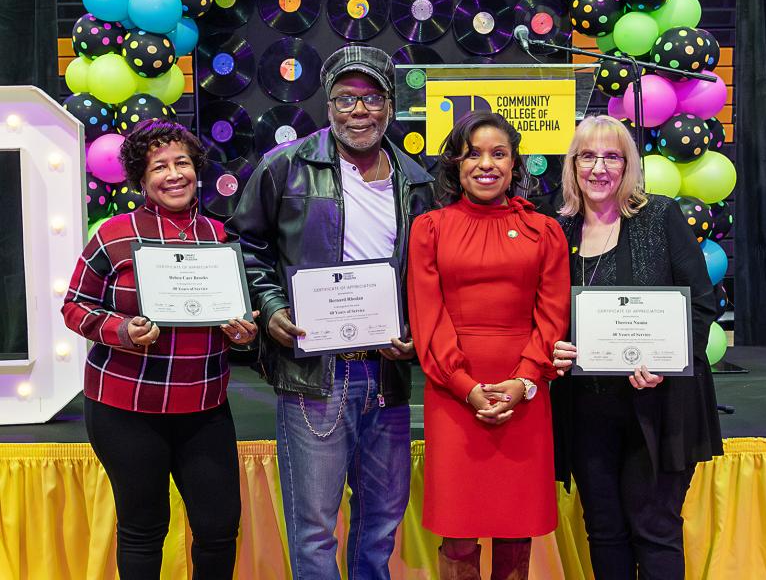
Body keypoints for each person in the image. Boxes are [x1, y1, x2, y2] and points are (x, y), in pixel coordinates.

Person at [225, 45, 434, 579]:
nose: (357, 111)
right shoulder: (283, 167)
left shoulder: (417, 181)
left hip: (385, 371)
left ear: (390, 104)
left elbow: (426, 273)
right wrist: (269, 307)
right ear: (327, 104)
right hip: (314, 373)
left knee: (380, 522)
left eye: (370, 99)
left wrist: (413, 330)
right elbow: (245, 247)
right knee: (315, 528)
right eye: (345, 99)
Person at [62, 120, 257, 579]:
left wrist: (243, 333)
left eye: (182, 163)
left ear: (197, 170)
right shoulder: (112, 234)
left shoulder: (218, 237)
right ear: (141, 178)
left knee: (218, 528)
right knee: (144, 528)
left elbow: (236, 315)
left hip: (204, 406)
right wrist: (122, 330)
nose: (174, 175)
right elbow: (74, 306)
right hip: (127, 407)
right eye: (159, 167)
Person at [550, 115, 724, 580]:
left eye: (613, 156)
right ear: (572, 165)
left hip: (659, 404)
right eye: (588, 156)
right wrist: (553, 347)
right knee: (603, 529)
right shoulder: (558, 229)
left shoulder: (659, 215)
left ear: (629, 166)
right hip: (587, 409)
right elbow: (544, 311)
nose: (599, 168)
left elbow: (701, 304)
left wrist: (668, 360)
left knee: (655, 527)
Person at [407, 111, 571, 578]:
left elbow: (553, 315)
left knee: (515, 532)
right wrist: (465, 386)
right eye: (473, 154)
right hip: (454, 397)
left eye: (498, 154)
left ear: (515, 163)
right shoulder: (430, 228)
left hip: (524, 396)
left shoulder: (546, 230)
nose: (486, 164)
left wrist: (524, 382)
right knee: (457, 533)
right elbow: (427, 316)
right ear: (456, 165)